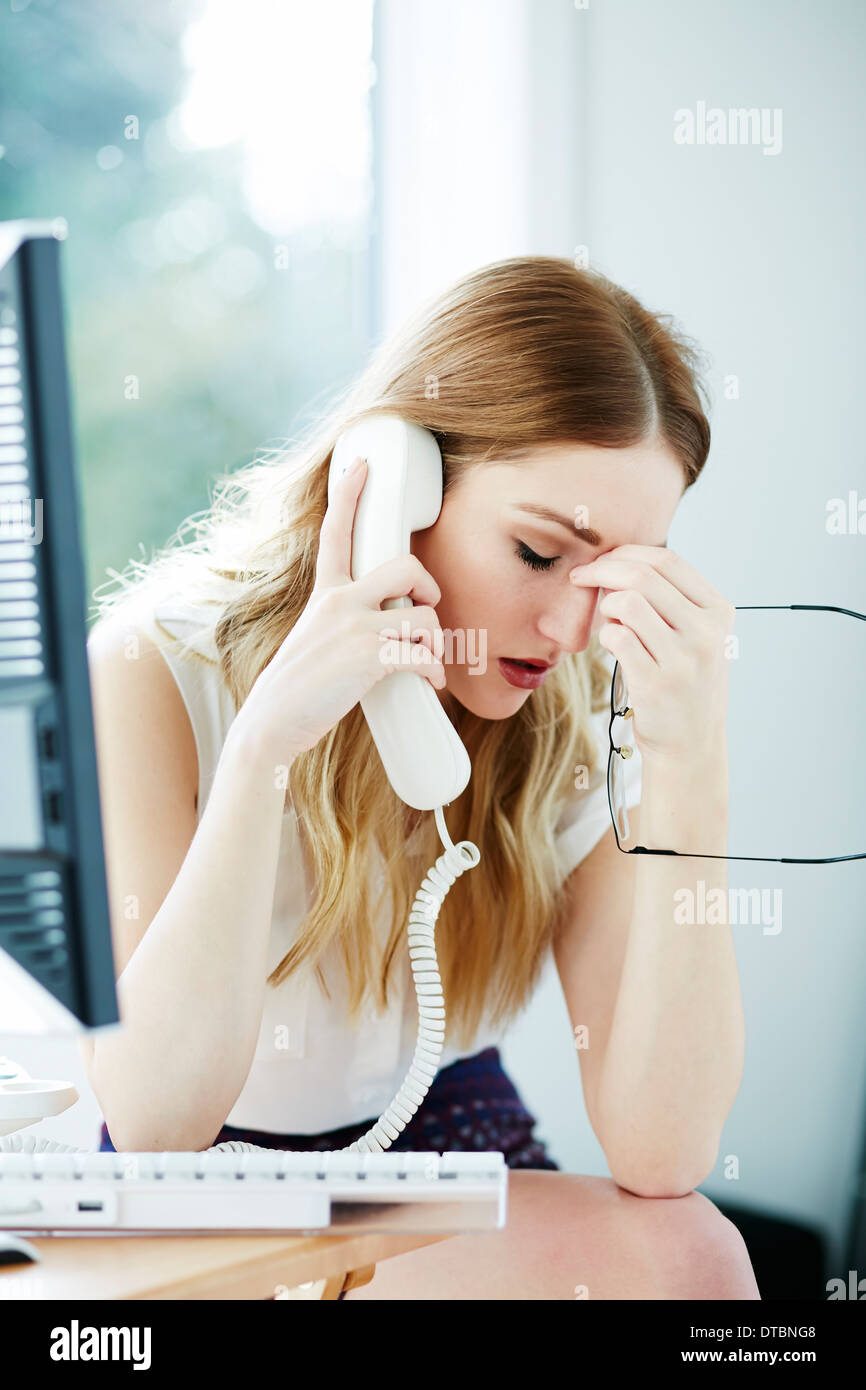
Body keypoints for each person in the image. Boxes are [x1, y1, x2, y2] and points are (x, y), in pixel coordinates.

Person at [79, 256, 760, 1299]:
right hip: (203, 1170)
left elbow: (661, 1154)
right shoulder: (154, 668)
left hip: (434, 1126)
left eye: (618, 572)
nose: (573, 628)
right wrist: (266, 745)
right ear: (395, 483)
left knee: (693, 1260)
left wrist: (689, 760)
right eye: (538, 553)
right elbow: (156, 1122)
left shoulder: (568, 719)